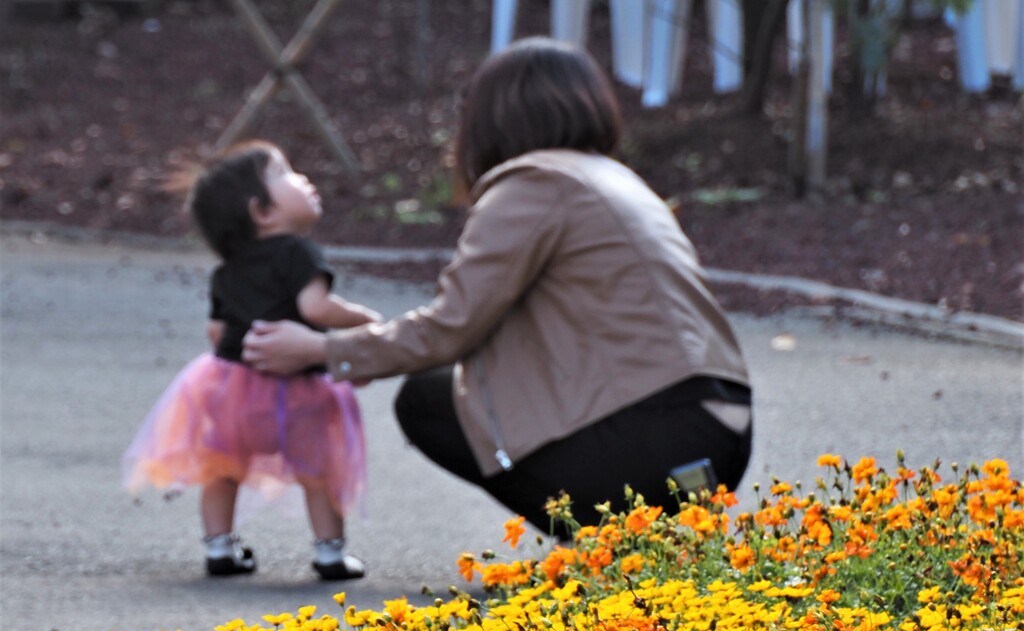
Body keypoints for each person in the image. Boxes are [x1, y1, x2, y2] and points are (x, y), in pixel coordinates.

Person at [242, 38, 753, 539]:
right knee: (468, 379)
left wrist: (323, 349)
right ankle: (634, 543)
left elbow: (451, 329)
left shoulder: (533, 186)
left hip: (656, 438)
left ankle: (602, 547)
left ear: (490, 119)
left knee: (428, 399)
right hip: (718, 430)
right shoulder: (613, 178)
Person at [123, 140, 382, 578]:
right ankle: (329, 553)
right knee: (318, 473)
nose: (304, 179)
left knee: (222, 469)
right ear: (262, 211)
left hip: (234, 390)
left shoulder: (226, 271)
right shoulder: (299, 252)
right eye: (287, 173)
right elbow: (317, 308)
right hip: (298, 391)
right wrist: (366, 320)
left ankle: (220, 548)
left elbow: (217, 331)